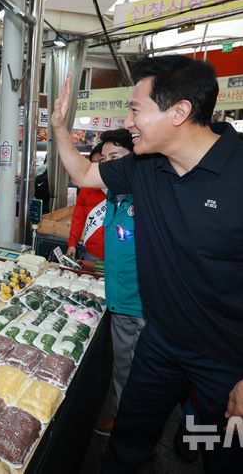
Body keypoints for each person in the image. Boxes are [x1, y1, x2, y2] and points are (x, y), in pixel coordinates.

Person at [50, 55, 243, 473]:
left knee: (230, 461)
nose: (128, 121)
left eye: (135, 109)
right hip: (160, 342)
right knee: (128, 440)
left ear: (179, 111)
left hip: (233, 361)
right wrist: (56, 128)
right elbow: (86, 176)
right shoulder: (146, 166)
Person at [93, 129, 145, 436]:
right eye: (105, 159)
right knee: (124, 367)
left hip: (143, 302)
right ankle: (125, 423)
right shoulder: (113, 196)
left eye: (117, 157)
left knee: (142, 373)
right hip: (119, 298)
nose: (110, 165)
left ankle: (134, 434)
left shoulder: (147, 197)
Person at [66, 144, 106, 261]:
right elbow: (78, 218)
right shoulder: (86, 189)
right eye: (94, 162)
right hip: (92, 252)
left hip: (120, 254)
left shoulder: (123, 187)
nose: (98, 166)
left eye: (102, 161)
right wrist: (72, 243)